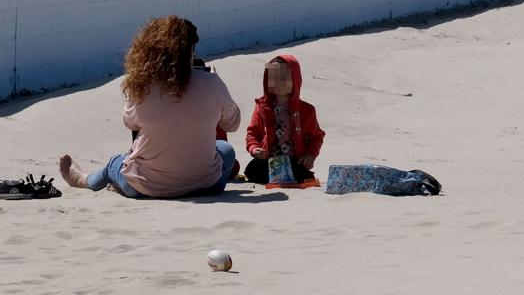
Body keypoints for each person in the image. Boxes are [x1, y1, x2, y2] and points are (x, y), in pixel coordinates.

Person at [58, 16, 242, 199]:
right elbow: (232, 124)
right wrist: (216, 87)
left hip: (145, 187)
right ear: (191, 50)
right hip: (205, 185)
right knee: (226, 150)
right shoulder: (211, 83)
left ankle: (83, 179)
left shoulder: (143, 85)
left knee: (114, 163)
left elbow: (130, 123)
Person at [244, 54, 325, 185]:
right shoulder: (262, 106)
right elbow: (252, 133)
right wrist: (254, 148)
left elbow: (317, 136)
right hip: (268, 162)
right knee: (253, 172)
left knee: (305, 178)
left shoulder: (307, 110)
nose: (277, 82)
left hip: (293, 161)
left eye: (283, 78)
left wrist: (310, 155)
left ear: (295, 79)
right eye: (273, 77)